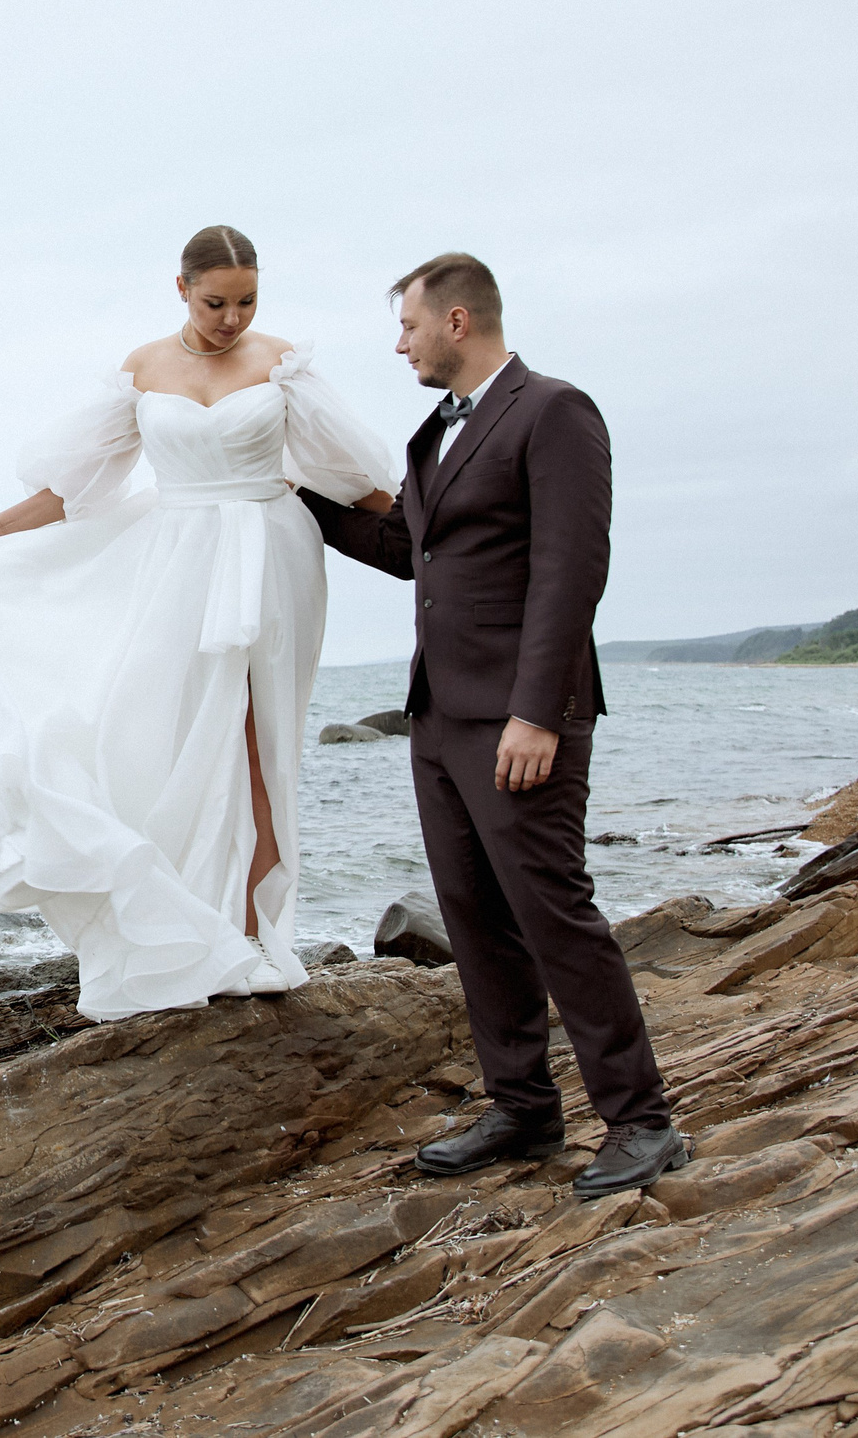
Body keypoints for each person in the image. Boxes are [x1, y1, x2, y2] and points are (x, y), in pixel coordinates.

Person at [0, 226, 398, 1021]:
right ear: (180, 289)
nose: (232, 318)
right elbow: (77, 486)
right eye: (215, 302)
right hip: (175, 562)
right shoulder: (144, 367)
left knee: (260, 745)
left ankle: (261, 935)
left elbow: (356, 476)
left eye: (247, 300)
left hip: (271, 557)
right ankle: (184, 926)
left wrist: (435, 516)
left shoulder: (284, 363)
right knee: (165, 739)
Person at [297, 253, 683, 1199]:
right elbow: (406, 550)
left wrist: (537, 713)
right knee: (473, 917)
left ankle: (640, 1120)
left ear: (458, 321)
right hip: (437, 716)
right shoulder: (433, 435)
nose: (400, 344)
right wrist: (291, 499)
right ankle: (523, 1106)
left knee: (554, 911)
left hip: (519, 719)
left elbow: (570, 569)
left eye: (409, 327)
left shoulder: (554, 411)